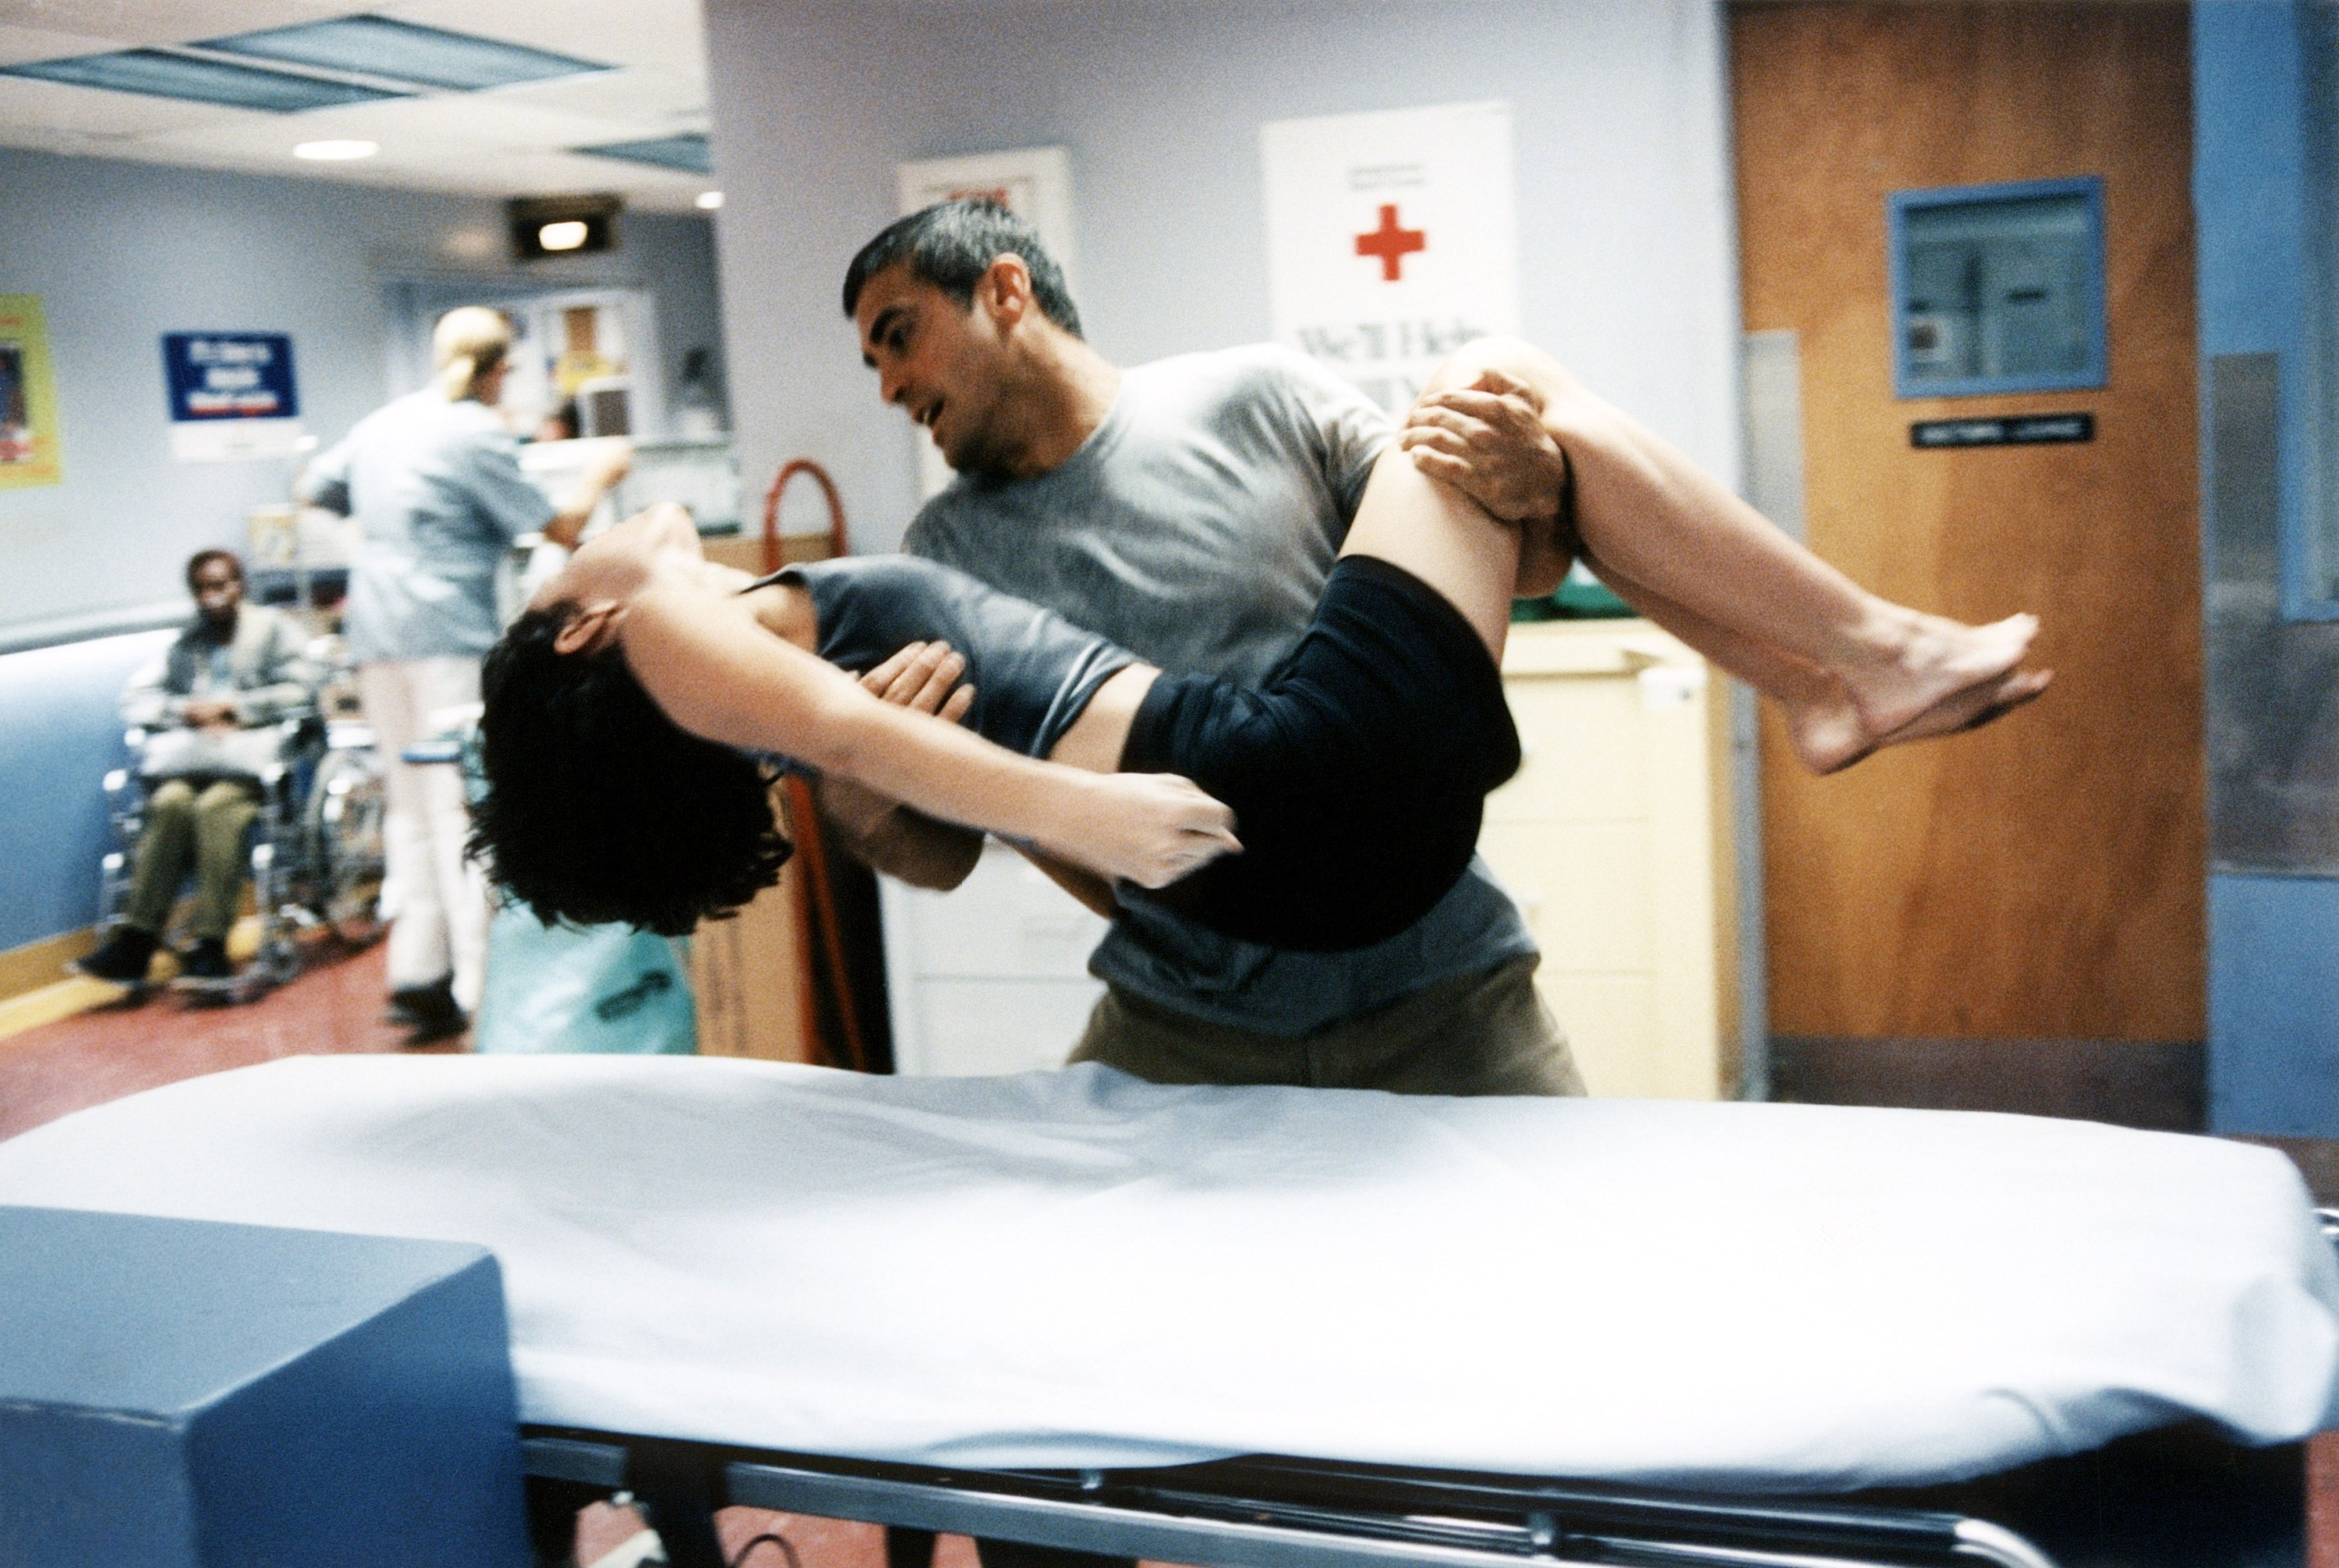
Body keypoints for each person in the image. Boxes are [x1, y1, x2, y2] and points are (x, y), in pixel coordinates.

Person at [469, 339, 2044, 957]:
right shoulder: (673, 633)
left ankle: (1833, 680)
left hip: (1295, 863)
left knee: (1515, 433)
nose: (579, 527)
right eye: (558, 577)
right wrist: (1087, 814)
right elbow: (861, 747)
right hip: (1289, 789)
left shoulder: (735, 672)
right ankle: (1864, 655)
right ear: (586, 629)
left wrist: (1043, 800)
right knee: (1499, 388)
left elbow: (857, 741)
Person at [298, 306, 630, 1045]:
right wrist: (604, 471)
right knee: (464, 808)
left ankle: (419, 979)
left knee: (408, 806)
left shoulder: (384, 423)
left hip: (375, 631)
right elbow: (562, 528)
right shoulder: (475, 430)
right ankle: (482, 985)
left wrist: (383, 538)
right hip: (445, 633)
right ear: (498, 369)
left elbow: (310, 488)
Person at [73, 550, 320, 989]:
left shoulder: (272, 631)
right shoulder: (187, 643)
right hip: (192, 762)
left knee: (216, 808)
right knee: (169, 803)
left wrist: (237, 708)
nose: (212, 597)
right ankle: (137, 940)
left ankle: (210, 943)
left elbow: (303, 689)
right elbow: (137, 699)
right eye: (203, 589)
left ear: (240, 586)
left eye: (221, 585)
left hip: (249, 768)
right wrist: (186, 711)